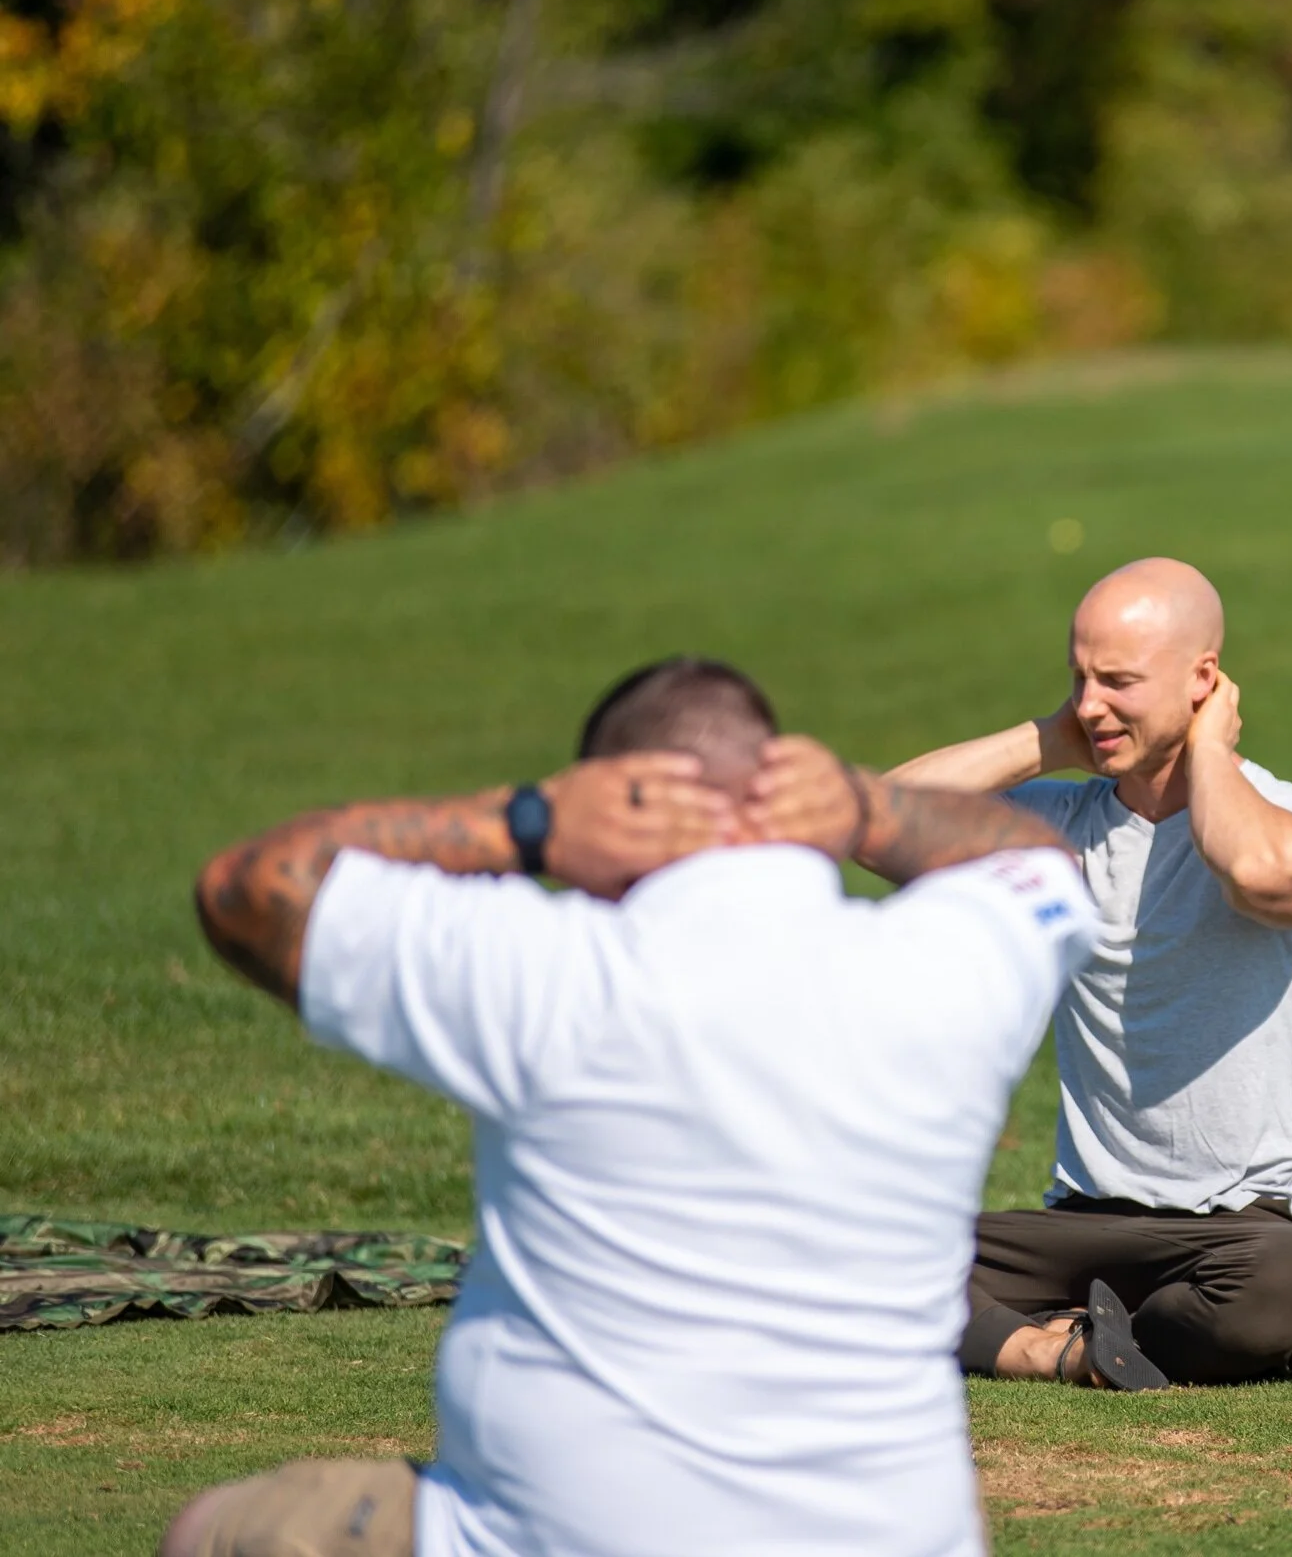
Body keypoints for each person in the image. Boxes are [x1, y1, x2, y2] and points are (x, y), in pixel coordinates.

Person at [164, 657, 1100, 1557]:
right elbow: (1045, 865)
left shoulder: (548, 972)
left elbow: (247, 889)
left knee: (215, 1528)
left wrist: (527, 821)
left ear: (611, 805)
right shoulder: (943, 968)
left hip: (544, 1538)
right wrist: (865, 806)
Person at [883, 557, 1292, 1389]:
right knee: (864, 1245)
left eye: (1118, 682)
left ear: (1203, 680)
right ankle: (1054, 1350)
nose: (1091, 702)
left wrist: (1207, 750)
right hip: (1082, 1227)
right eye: (1080, 678)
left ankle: (1110, 1332)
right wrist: (1052, 738)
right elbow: (875, 820)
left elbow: (1262, 876)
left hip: (1242, 1231)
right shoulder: (1056, 830)